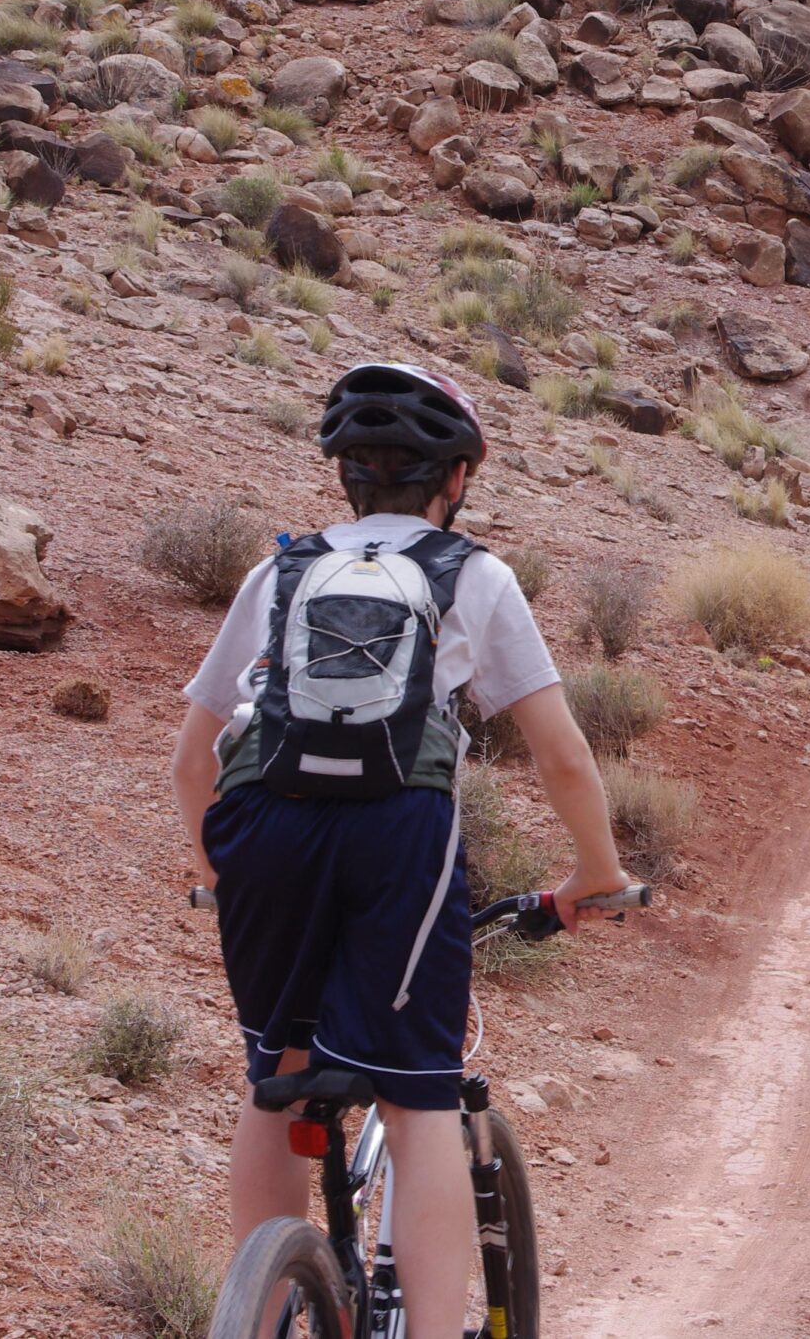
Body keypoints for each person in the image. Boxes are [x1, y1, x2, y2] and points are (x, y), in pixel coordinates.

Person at [165, 361, 628, 1339]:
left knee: (276, 1069)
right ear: (454, 480)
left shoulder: (278, 570)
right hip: (395, 832)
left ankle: (265, 1314)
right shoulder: (474, 574)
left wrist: (218, 878)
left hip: (259, 828)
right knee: (420, 1095)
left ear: (346, 475)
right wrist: (596, 872)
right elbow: (564, 756)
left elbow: (192, 760)